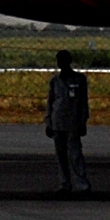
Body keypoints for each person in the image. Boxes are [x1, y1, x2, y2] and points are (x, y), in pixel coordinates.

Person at [46, 50, 92, 195]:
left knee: (75, 154)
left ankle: (82, 184)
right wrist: (48, 122)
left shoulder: (79, 79)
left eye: (64, 60)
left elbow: (83, 103)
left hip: (73, 122)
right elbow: (50, 102)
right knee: (61, 156)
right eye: (59, 60)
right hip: (58, 122)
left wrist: (83, 121)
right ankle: (64, 183)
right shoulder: (55, 80)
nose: (61, 63)